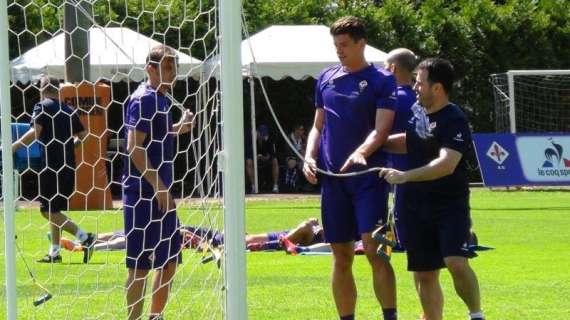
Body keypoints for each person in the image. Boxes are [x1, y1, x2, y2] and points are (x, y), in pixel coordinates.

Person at [303, 16, 398, 320]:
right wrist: (309, 156)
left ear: (361, 43)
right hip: (333, 182)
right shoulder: (326, 78)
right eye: (336, 45)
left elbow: (382, 129)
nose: (339, 50)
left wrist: (362, 151)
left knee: (375, 251)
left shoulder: (382, 80)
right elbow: (318, 126)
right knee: (341, 255)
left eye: (344, 44)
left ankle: (389, 316)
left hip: (368, 179)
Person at [379, 58, 485, 320]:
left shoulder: (455, 119)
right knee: (425, 273)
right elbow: (411, 142)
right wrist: (375, 143)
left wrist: (405, 176)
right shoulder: (417, 110)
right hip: (414, 206)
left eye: (419, 82)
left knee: (456, 262)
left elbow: (445, 165)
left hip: (449, 205)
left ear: (437, 88)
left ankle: (476, 315)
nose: (415, 86)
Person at [122, 44, 194, 320]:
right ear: (150, 69)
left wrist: (179, 128)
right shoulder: (143, 98)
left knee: (169, 260)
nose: (173, 72)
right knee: (139, 266)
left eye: (175, 66)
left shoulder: (161, 99)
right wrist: (158, 185)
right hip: (143, 193)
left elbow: (156, 136)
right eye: (166, 66)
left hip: (162, 193)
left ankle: (156, 316)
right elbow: (134, 147)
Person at [11, 75, 95, 263]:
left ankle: (84, 237)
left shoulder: (41, 107)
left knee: (46, 210)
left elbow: (35, 132)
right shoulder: (68, 109)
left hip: (50, 166)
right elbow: (85, 136)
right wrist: (70, 146)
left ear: (42, 89)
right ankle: (55, 253)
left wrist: (13, 146)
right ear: (58, 90)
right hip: (67, 166)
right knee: (54, 208)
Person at [58, 218, 324, 253]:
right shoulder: (283, 237)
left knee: (144, 236)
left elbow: (304, 230)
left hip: (215, 239)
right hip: (215, 234)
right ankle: (91, 238)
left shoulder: (285, 240)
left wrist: (312, 227)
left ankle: (91, 247)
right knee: (135, 231)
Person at [382, 48, 418, 250]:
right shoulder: (421, 98)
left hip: (397, 171)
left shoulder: (392, 98)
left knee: (401, 227)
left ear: (393, 68)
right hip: (422, 170)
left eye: (385, 67)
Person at [245, 124, 280, 193]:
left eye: (264, 135)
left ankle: (275, 185)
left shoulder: (268, 139)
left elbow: (273, 153)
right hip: (254, 159)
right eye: (261, 135)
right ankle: (253, 186)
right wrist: (255, 157)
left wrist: (267, 157)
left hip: (265, 159)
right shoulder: (251, 139)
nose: (263, 137)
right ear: (257, 133)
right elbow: (247, 153)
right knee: (249, 162)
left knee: (275, 161)